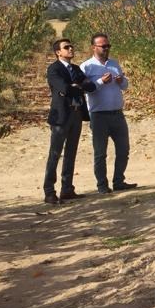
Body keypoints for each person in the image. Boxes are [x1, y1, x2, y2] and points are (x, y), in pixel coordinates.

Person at [80, 33, 137, 194]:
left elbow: (124, 86)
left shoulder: (114, 64)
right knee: (100, 153)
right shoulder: (87, 67)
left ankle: (119, 181)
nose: (106, 49)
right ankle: (102, 185)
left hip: (117, 114)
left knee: (123, 149)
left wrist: (121, 81)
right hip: (98, 115)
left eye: (108, 46)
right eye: (103, 46)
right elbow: (85, 88)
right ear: (94, 47)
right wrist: (100, 82)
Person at [43, 38, 96, 204]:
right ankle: (49, 191)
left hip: (76, 114)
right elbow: (63, 88)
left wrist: (77, 85)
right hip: (61, 116)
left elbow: (90, 86)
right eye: (67, 47)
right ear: (58, 52)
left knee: (71, 153)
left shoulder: (75, 68)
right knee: (55, 154)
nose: (71, 49)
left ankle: (67, 189)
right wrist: (76, 85)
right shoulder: (54, 69)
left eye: (71, 46)